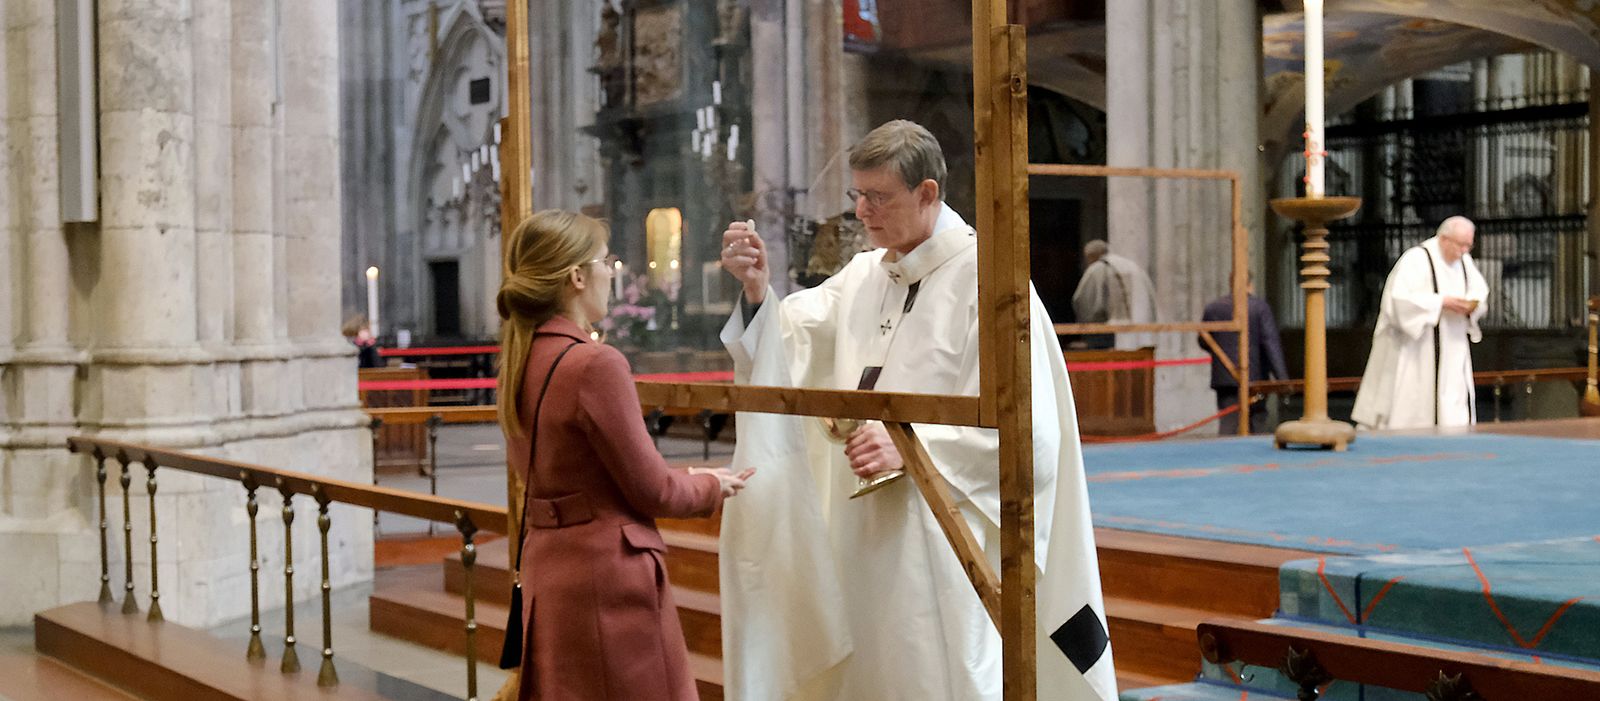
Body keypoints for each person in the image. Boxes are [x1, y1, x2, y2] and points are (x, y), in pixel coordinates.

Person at [717, 120, 1116, 701]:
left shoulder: (992, 285)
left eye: (877, 197)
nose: (861, 211)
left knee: (929, 674)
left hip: (941, 535)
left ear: (927, 193)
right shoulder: (862, 276)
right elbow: (787, 341)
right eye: (857, 195)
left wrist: (911, 446)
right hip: (860, 532)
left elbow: (1031, 433)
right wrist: (756, 289)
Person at [496, 209, 753, 701]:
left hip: (549, 573)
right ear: (575, 277)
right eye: (603, 260)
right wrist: (711, 484)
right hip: (606, 581)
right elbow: (652, 489)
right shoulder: (594, 363)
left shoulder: (519, 359)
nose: (610, 271)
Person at [1352, 216, 1489, 430]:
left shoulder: (1464, 262)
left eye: (1468, 246)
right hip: (1417, 348)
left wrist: (1471, 305)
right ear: (1444, 239)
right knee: (1414, 399)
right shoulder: (1416, 259)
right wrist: (1441, 302)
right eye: (1460, 245)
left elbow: (1479, 291)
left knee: (1452, 402)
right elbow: (1398, 301)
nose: (1464, 251)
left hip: (1452, 344)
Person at [1199, 274, 1290, 435]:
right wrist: (1282, 380)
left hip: (1225, 378)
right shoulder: (1259, 308)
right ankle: (1256, 460)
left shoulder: (1213, 308)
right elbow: (1270, 344)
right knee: (1257, 422)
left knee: (1228, 422)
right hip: (1255, 377)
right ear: (1249, 284)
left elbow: (1204, 340)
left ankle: (1224, 459)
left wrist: (1222, 355)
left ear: (1230, 284)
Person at [1070, 240, 1157, 350]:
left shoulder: (1096, 269)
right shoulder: (1133, 266)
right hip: (1141, 331)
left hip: (1110, 334)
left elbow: (1083, 302)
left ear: (1091, 256)